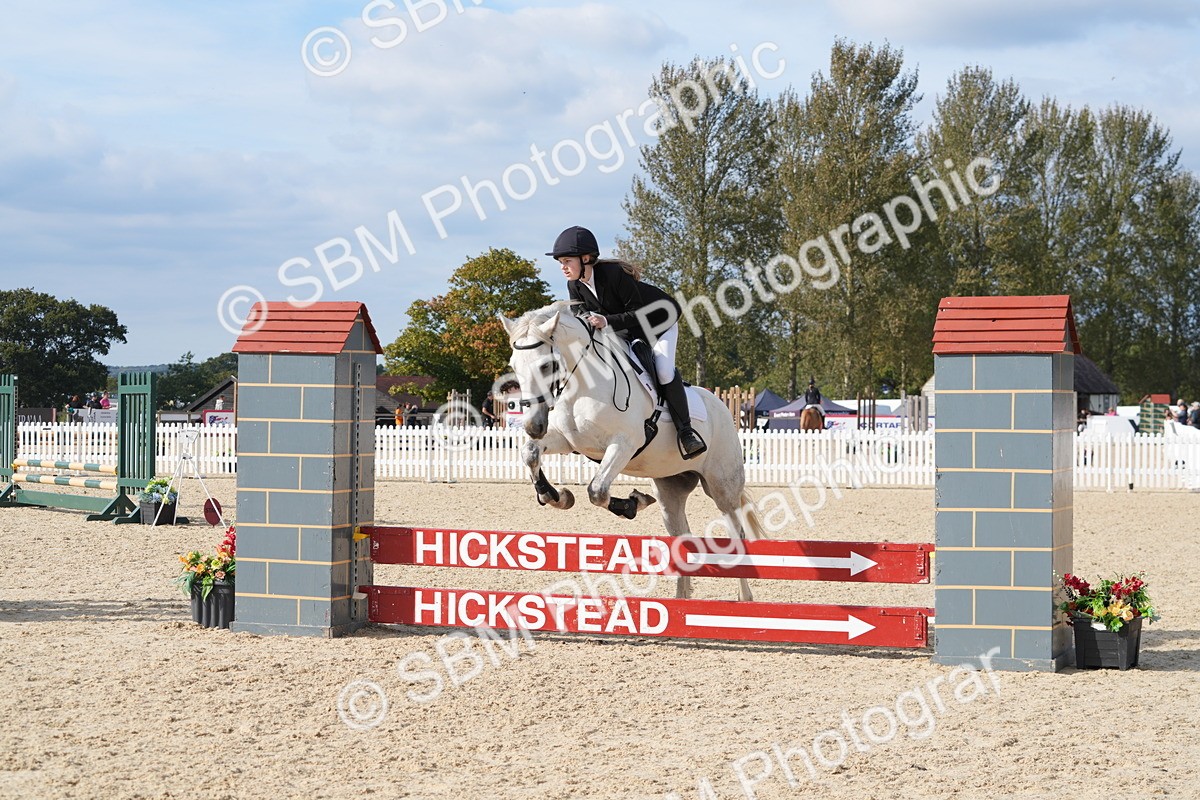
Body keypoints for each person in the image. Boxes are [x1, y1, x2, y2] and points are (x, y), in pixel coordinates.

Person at [548, 225, 706, 459]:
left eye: (567, 261)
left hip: (658, 322)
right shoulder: (575, 285)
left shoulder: (614, 275)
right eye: (560, 262)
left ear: (586, 258)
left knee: (662, 371)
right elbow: (583, 320)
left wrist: (605, 320)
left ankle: (686, 431)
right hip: (623, 329)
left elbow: (636, 314)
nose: (563, 267)